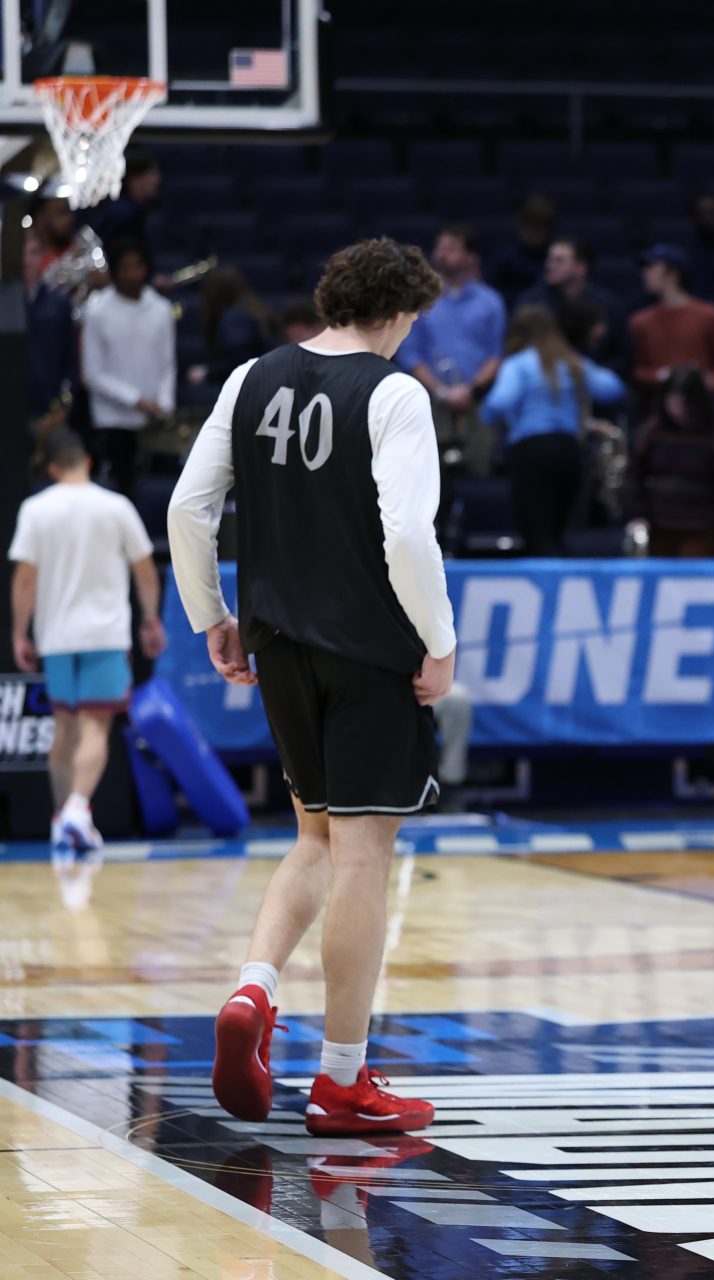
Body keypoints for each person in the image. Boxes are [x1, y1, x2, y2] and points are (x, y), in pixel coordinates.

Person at [167, 236, 454, 1140]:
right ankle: (341, 1080)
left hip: (278, 644)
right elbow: (408, 536)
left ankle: (254, 990)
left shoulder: (252, 375)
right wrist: (439, 642)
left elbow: (186, 506)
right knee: (365, 854)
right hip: (370, 652)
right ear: (401, 313)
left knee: (313, 839)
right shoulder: (396, 392)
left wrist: (209, 611)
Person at [9, 430, 166, 909]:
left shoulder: (36, 510)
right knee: (96, 728)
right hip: (103, 633)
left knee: (64, 730)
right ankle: (77, 808)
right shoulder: (115, 506)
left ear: (51, 467)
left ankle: (64, 817)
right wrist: (150, 618)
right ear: (88, 461)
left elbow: (25, 578)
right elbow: (144, 567)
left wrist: (20, 631)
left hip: (57, 635)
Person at [480, 304, 628, 555]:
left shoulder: (518, 365)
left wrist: (489, 415)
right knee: (560, 535)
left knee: (537, 536)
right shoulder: (570, 362)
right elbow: (612, 388)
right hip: (569, 452)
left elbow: (497, 404)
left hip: (532, 453)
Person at [397, 225, 508, 473]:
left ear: (471, 256)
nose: (441, 254)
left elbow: (495, 355)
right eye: (439, 248)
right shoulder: (420, 300)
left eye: (450, 248)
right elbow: (410, 354)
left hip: (475, 403)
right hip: (430, 402)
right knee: (427, 478)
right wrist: (442, 392)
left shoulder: (491, 301)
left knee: (479, 472)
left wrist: (469, 390)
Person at [626, 366, 714, 558]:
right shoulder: (651, 433)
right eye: (671, 401)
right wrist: (637, 515)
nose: (677, 409)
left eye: (683, 403)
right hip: (658, 527)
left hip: (702, 529)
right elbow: (634, 478)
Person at [81, 240, 174, 494]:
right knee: (121, 490)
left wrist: (164, 404)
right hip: (112, 420)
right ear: (114, 271)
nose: (133, 275)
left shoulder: (161, 309)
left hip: (154, 419)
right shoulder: (97, 311)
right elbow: (92, 374)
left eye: (138, 266)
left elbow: (167, 365)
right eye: (126, 268)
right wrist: (134, 399)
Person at [628, 244, 714, 400]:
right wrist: (660, 376)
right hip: (657, 412)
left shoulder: (710, 316)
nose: (645, 273)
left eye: (651, 267)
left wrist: (708, 381)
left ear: (672, 272)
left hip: (701, 407)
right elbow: (635, 371)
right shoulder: (639, 322)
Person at [517, 237, 631, 371]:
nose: (549, 265)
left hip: (594, 382)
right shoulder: (532, 302)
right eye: (549, 259)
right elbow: (519, 346)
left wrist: (592, 375)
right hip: (544, 380)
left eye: (559, 260)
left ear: (581, 267)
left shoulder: (608, 305)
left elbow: (624, 356)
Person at [23, 227, 77, 437]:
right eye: (21, 252)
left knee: (72, 460)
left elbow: (70, 361)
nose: (27, 260)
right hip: (7, 414)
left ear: (42, 256)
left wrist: (64, 405)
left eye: (33, 252)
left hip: (48, 415)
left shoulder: (59, 305)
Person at [193, 267, 275, 385]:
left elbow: (240, 363)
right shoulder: (250, 308)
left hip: (251, 386)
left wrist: (208, 372)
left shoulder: (234, 319)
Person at [84, 145, 161, 253]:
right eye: (151, 173)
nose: (157, 179)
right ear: (134, 178)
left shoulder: (137, 211)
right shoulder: (122, 215)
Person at [487, 194, 555, 302]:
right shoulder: (504, 260)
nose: (534, 234)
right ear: (521, 227)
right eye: (530, 228)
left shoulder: (554, 259)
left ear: (547, 230)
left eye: (538, 229)